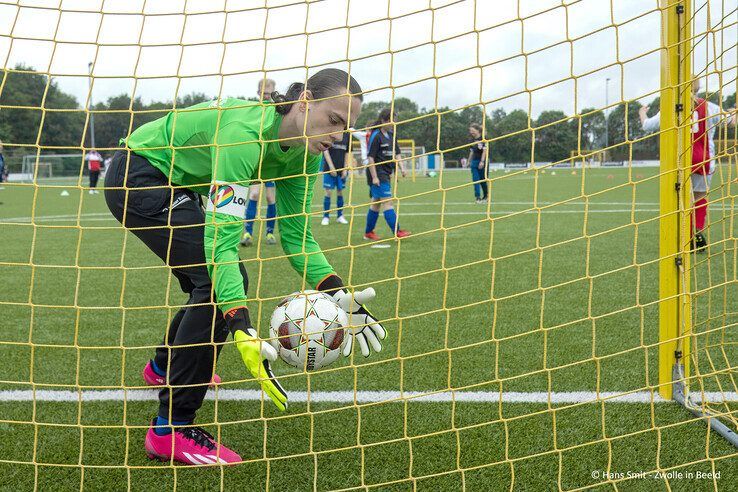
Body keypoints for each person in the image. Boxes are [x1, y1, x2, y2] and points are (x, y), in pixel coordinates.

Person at [105, 68, 387, 465]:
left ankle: (163, 367)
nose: (338, 135)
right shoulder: (244, 134)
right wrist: (239, 322)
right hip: (139, 174)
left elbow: (297, 238)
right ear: (304, 100)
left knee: (216, 281)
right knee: (218, 282)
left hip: (177, 184)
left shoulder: (306, 158)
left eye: (347, 127)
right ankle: (169, 430)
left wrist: (338, 292)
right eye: (334, 120)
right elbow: (222, 241)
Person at [639, 78, 736, 252]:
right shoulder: (709, 106)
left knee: (680, 198)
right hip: (703, 158)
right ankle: (696, 230)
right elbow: (731, 122)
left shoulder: (671, 107)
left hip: (679, 160)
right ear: (698, 88)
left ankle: (680, 236)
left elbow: (647, 126)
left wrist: (642, 112)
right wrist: (734, 111)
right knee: (700, 197)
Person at [241, 78, 278, 247]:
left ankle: (270, 233)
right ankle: (248, 232)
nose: (266, 96)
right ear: (258, 93)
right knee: (254, 194)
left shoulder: (276, 110)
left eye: (269, 94)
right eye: (263, 93)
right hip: (256, 159)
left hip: (270, 161)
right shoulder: (254, 109)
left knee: (271, 198)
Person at [363, 109, 410, 240]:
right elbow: (371, 158)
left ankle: (368, 232)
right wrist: (375, 177)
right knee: (388, 202)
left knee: (376, 203)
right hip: (377, 172)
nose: (394, 123)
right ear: (384, 120)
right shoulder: (376, 135)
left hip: (386, 172)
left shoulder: (391, 134)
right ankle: (397, 231)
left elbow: (398, 153)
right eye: (392, 120)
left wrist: (402, 168)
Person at [321, 130, 351, 225]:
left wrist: (345, 168)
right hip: (329, 168)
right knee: (328, 192)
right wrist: (331, 167)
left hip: (342, 169)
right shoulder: (330, 131)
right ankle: (326, 217)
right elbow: (325, 150)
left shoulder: (347, 134)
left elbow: (347, 152)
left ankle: (340, 216)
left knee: (340, 191)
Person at [467, 124, 488, 203]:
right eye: (470, 130)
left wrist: (482, 161)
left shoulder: (483, 139)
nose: (471, 132)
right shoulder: (471, 140)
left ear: (477, 130)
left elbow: (484, 151)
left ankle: (486, 196)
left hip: (482, 161)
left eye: (472, 130)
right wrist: (469, 161)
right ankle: (478, 197)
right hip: (474, 162)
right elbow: (471, 152)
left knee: (483, 180)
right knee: (475, 180)